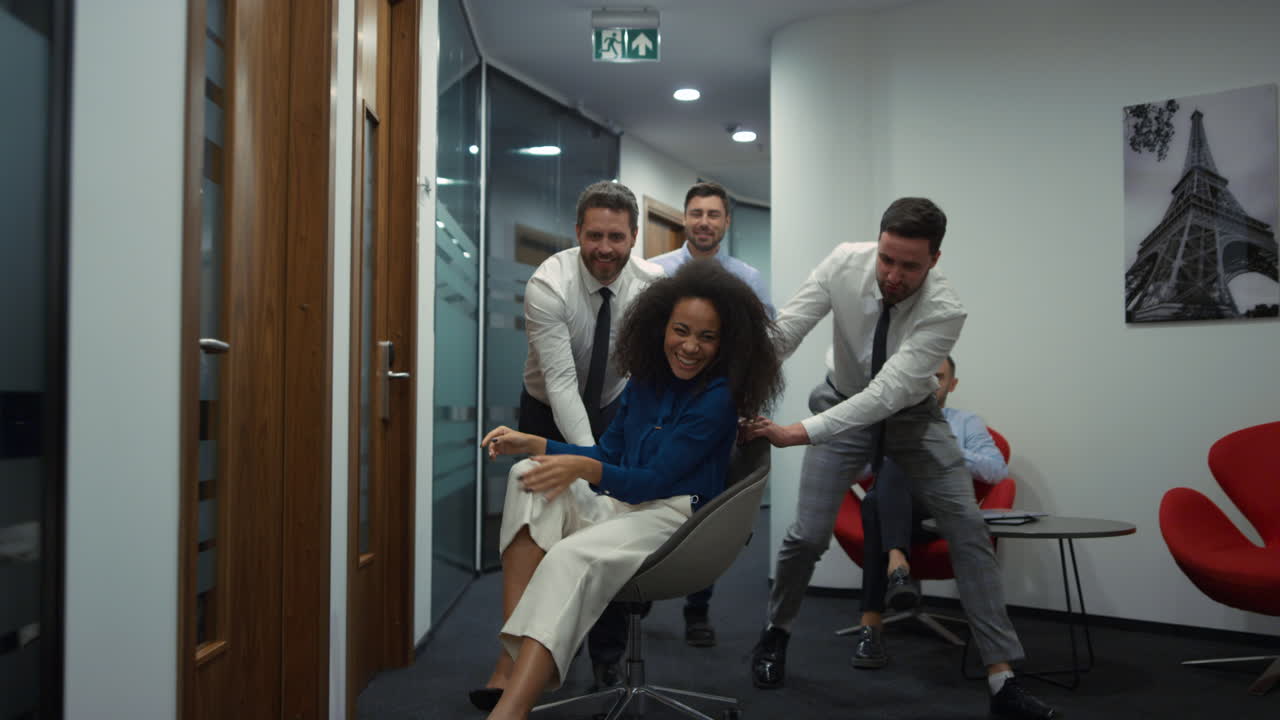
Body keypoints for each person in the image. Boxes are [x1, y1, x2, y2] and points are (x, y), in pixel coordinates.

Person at [741, 198, 1061, 720]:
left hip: (911, 416)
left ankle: (1003, 682)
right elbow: (784, 334)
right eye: (886, 259)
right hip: (840, 399)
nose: (892, 275)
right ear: (879, 243)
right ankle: (775, 634)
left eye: (909, 265)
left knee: (969, 531)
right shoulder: (844, 262)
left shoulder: (945, 309)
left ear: (934, 260)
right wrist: (736, 386)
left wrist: (798, 432)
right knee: (807, 535)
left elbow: (888, 394)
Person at [474, 260, 783, 720]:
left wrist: (580, 467)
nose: (691, 347)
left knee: (568, 557)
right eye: (681, 330)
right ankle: (511, 659)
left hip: (676, 524)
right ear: (661, 326)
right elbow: (610, 454)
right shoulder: (646, 382)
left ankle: (512, 710)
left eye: (707, 337)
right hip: (625, 505)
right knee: (527, 476)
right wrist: (536, 443)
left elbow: (653, 482)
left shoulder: (717, 401)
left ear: (726, 344)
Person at [512, 180, 664, 690]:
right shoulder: (548, 284)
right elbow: (560, 385)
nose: (605, 248)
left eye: (616, 237)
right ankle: (534, 658)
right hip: (544, 411)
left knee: (608, 532)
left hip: (615, 408)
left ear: (634, 237)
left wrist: (606, 468)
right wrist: (589, 463)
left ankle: (607, 655)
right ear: (577, 232)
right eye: (594, 235)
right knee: (544, 529)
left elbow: (654, 370)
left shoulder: (651, 286)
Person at [643, 181, 774, 648]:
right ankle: (638, 589)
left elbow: (760, 352)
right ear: (684, 218)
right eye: (696, 213)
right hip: (656, 411)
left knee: (705, 509)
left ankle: (698, 609)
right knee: (643, 496)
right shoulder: (654, 273)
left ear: (726, 222)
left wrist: (743, 412)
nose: (704, 222)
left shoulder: (748, 281)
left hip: (716, 414)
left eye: (713, 214)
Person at [852, 355, 1010, 670]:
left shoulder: (966, 422)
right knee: (881, 487)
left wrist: (941, 447)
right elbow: (854, 472)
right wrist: (883, 446)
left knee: (876, 502)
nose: (929, 383)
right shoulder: (890, 419)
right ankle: (897, 567)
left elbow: (996, 470)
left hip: (939, 518)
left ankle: (871, 626)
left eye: (937, 376)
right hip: (894, 511)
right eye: (923, 376)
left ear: (952, 384)